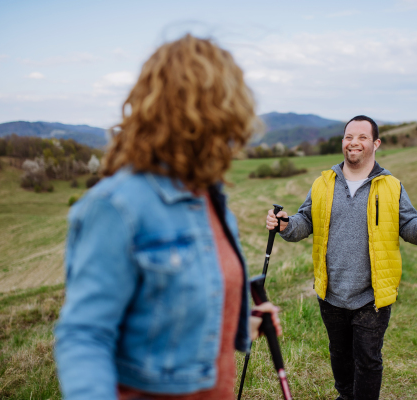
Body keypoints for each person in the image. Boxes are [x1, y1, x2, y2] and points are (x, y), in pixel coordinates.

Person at [54, 34, 281, 400]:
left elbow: (184, 304)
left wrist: (246, 323)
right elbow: (85, 336)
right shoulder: (118, 206)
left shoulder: (209, 197)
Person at [266, 115, 417, 400]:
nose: (354, 142)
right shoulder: (323, 183)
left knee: (367, 360)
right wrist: (285, 224)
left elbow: (409, 228)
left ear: (375, 143)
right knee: (339, 354)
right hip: (331, 291)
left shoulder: (391, 186)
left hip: (372, 295)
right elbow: (305, 220)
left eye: (363, 137)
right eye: (349, 136)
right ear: (343, 142)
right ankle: (346, 396)